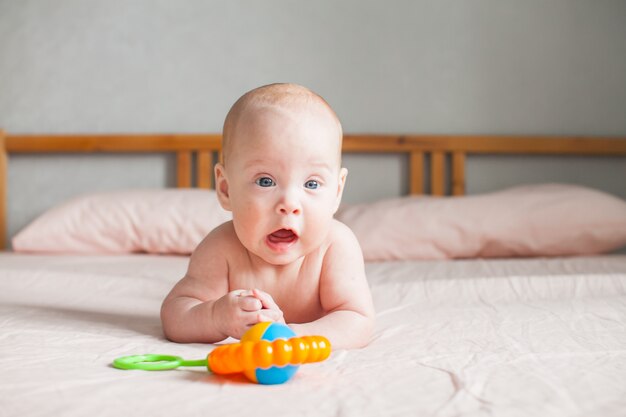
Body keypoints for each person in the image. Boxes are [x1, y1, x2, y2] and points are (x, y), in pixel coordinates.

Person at [160, 83, 375, 349]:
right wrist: (215, 317)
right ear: (226, 189)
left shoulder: (336, 246)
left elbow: (357, 321)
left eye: (311, 184)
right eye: (265, 181)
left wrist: (288, 337)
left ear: (337, 191)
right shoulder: (221, 248)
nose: (289, 204)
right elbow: (176, 315)